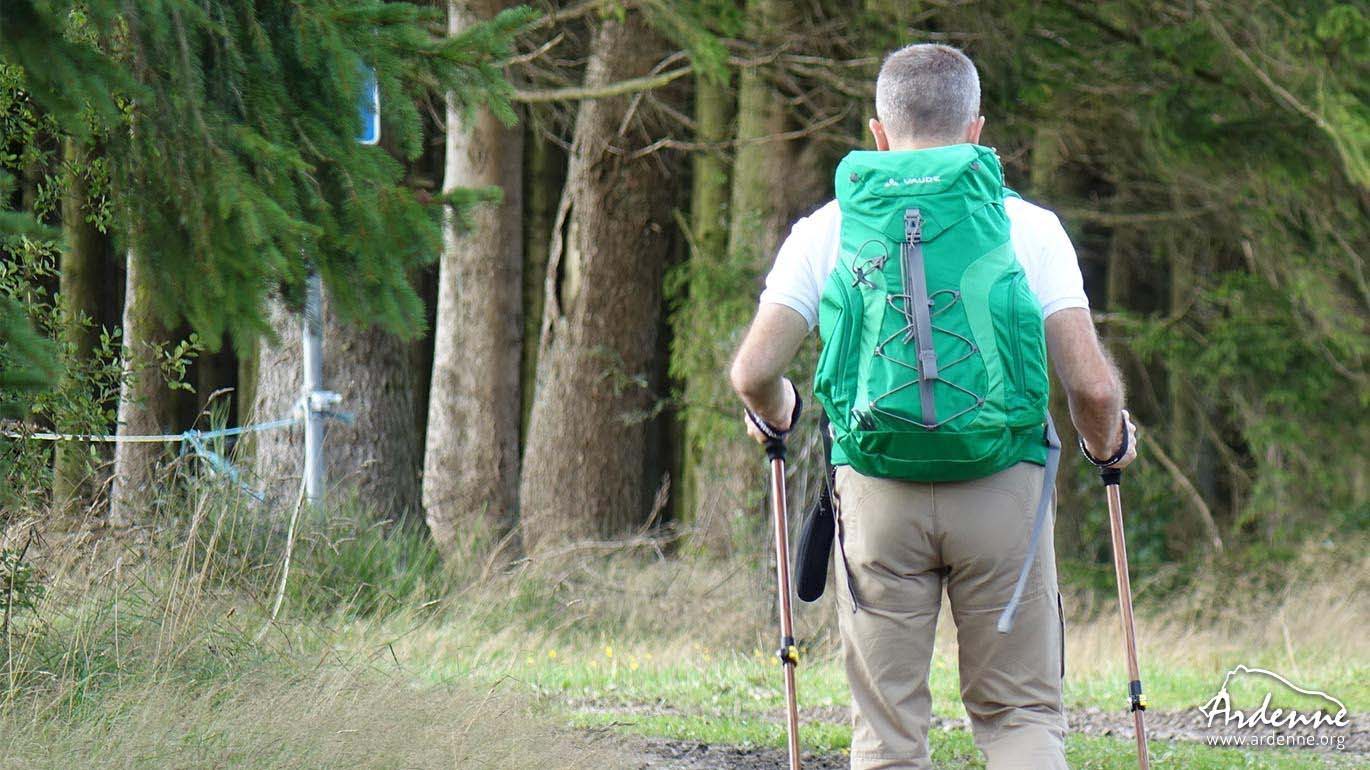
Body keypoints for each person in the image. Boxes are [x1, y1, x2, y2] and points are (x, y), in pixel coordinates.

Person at [729, 43, 1139, 770]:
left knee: (887, 736)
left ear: (877, 134)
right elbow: (1094, 390)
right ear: (976, 131)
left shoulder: (826, 230)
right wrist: (1109, 446)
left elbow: (754, 371)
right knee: (1020, 717)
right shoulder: (1030, 228)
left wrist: (780, 407)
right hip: (1002, 489)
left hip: (878, 492)